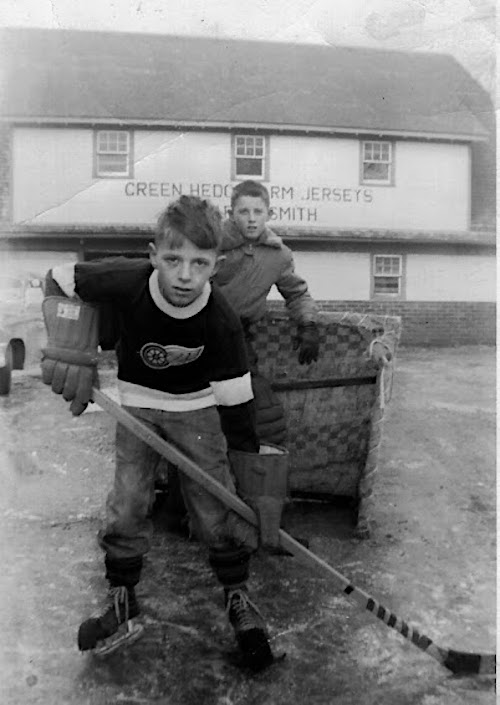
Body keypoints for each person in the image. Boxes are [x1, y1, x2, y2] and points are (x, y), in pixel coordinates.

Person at [41, 195, 279, 672]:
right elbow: (59, 278)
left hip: (197, 415)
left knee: (214, 510)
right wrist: (72, 345)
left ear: (218, 264)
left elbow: (236, 403)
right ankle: (122, 597)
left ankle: (237, 597)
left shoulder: (222, 320)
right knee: (128, 502)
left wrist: (249, 475)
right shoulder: (128, 280)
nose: (185, 275)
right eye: (173, 260)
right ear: (153, 256)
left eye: (199, 262)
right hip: (138, 411)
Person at [214, 179, 320, 445]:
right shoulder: (211, 243)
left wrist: (307, 324)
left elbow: (297, 293)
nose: (251, 219)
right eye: (243, 212)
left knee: (257, 405)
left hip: (238, 337)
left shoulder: (279, 255)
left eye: (257, 212)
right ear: (231, 214)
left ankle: (252, 467)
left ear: (269, 214)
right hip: (196, 331)